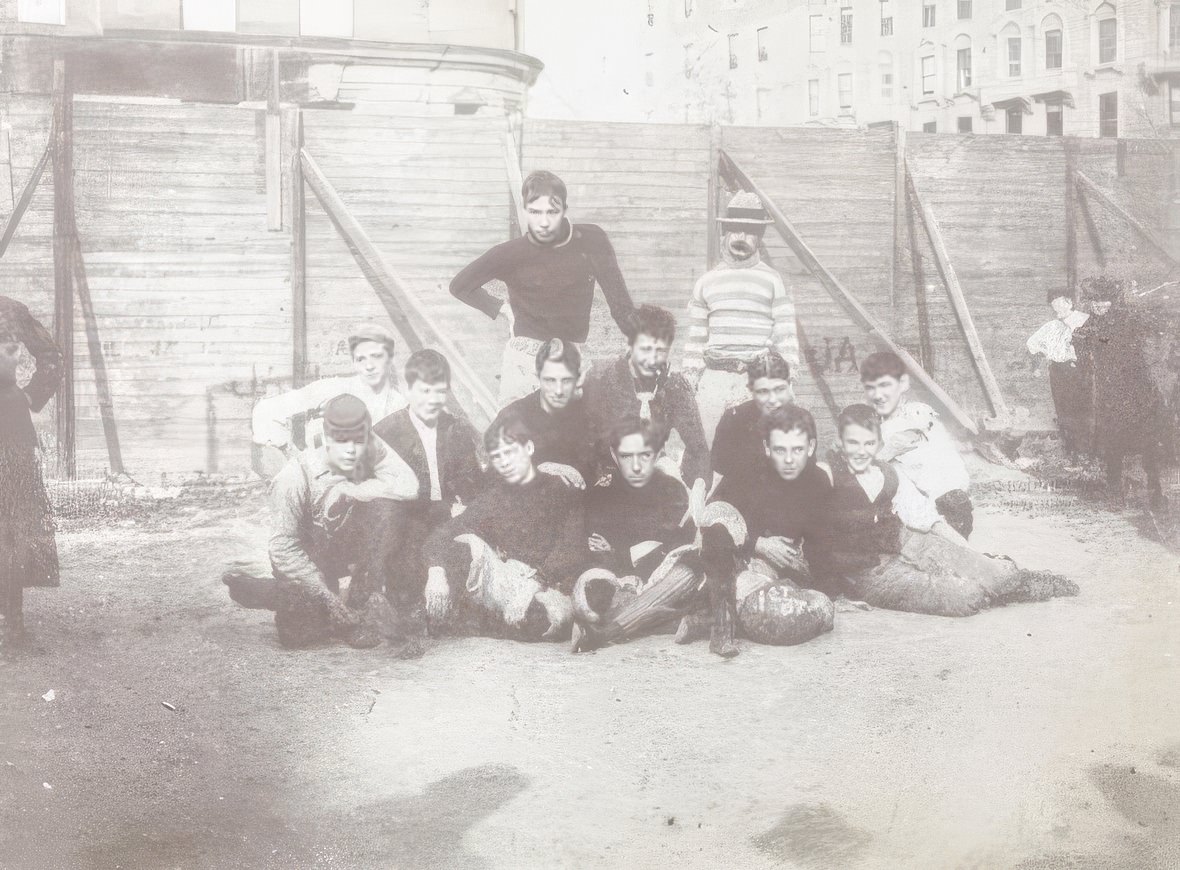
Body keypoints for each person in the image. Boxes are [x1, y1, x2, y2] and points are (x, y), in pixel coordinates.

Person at [814, 403, 1078, 616]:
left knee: (996, 574)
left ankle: (1015, 582)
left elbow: (924, 518)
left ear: (879, 442)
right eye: (853, 443)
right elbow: (815, 542)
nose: (861, 452)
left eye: (869, 443)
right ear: (839, 441)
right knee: (966, 598)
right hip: (869, 573)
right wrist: (835, 595)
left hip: (904, 545)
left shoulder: (887, 472)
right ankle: (988, 589)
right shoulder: (827, 478)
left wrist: (969, 553)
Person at [223, 394, 419, 649]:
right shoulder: (293, 477)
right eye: (341, 441)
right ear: (326, 438)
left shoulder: (370, 445)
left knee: (388, 508)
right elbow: (283, 548)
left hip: (342, 548)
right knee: (300, 633)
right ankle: (265, 592)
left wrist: (350, 490)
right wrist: (327, 597)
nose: (351, 450)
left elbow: (409, 485)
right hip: (306, 558)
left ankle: (358, 603)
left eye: (359, 441)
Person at [449, 170, 636, 405]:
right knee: (515, 435)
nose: (544, 222)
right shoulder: (510, 253)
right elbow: (459, 286)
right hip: (525, 362)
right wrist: (501, 308)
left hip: (571, 360)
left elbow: (620, 304)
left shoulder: (591, 241)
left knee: (575, 436)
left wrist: (640, 344)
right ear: (525, 210)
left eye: (552, 212)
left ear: (565, 210)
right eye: (535, 212)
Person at [422, 413, 585, 639]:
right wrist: (436, 572)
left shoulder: (559, 488)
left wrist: (535, 584)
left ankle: (480, 621)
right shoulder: (495, 496)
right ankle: (484, 620)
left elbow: (571, 548)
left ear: (528, 447)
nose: (505, 462)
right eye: (497, 457)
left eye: (509, 452)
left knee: (542, 618)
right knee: (455, 547)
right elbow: (444, 533)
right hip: (507, 581)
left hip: (548, 584)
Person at [704, 405, 835, 648]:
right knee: (717, 531)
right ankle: (721, 623)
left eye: (797, 449)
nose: (788, 459)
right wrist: (759, 544)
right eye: (779, 450)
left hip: (779, 573)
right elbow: (713, 520)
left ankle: (702, 621)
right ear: (766, 448)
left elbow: (821, 544)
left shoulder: (817, 482)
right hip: (731, 562)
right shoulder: (745, 473)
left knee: (803, 614)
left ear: (811, 447)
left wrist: (828, 592)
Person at [571, 416, 706, 653]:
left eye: (644, 455)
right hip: (620, 580)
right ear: (614, 455)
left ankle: (606, 633)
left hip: (662, 580)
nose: (636, 466)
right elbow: (596, 550)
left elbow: (674, 546)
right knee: (595, 587)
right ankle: (666, 620)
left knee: (690, 568)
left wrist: (619, 551)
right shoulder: (600, 495)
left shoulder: (671, 490)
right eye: (626, 456)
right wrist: (636, 550)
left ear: (656, 453)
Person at [370, 349, 487, 612]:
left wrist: (464, 505)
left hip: (447, 522)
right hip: (407, 524)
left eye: (440, 391)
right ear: (408, 389)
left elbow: (472, 483)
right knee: (409, 593)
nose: (433, 400)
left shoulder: (456, 428)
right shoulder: (386, 433)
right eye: (425, 391)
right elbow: (385, 500)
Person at [683, 190, 800, 440]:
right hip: (714, 379)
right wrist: (691, 379)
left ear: (759, 238)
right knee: (709, 447)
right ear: (725, 234)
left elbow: (786, 333)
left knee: (759, 449)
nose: (741, 237)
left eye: (749, 231)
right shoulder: (707, 282)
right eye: (735, 230)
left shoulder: (772, 280)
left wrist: (788, 379)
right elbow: (696, 339)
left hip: (756, 380)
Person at [582, 304, 710, 489]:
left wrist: (697, 487)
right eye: (645, 349)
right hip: (607, 470)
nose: (651, 360)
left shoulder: (674, 386)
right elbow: (584, 439)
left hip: (653, 470)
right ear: (630, 344)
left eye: (660, 352)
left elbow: (698, 447)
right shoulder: (601, 379)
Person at [1071, 277, 1169, 509]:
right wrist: (1079, 342)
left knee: (1147, 440)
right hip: (1111, 391)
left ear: (1113, 302)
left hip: (1137, 389)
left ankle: (1155, 490)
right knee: (1112, 439)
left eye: (1103, 301)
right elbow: (1082, 345)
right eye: (1094, 301)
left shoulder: (1127, 320)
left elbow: (1121, 345)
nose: (1097, 305)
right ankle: (1115, 490)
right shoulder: (1092, 323)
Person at [0, 296, 63, 644]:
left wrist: (30, 395)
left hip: (9, 430)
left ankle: (10, 625)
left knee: (11, 527)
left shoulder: (8, 310)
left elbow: (52, 354)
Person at [860, 351, 974, 539]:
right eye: (870, 388)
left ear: (903, 383)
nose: (877, 395)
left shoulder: (916, 416)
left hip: (941, 503)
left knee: (888, 470)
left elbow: (944, 467)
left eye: (884, 385)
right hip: (922, 500)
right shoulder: (879, 422)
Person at [252, 323, 407, 454]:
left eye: (376, 356)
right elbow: (265, 409)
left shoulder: (400, 404)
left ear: (390, 357)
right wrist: (292, 459)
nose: (369, 366)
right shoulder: (335, 388)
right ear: (353, 362)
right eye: (361, 359)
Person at [491, 338, 597, 489]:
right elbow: (493, 476)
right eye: (550, 380)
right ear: (538, 377)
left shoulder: (586, 412)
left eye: (566, 380)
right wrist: (540, 471)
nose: (558, 390)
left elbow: (599, 458)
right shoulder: (511, 418)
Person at [710, 350, 795, 492]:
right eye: (763, 391)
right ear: (752, 389)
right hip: (744, 494)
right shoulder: (734, 418)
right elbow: (719, 464)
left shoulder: (798, 421)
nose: (772, 399)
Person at [1026, 290, 1090, 456]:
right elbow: (1032, 344)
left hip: (1079, 370)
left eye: (1060, 306)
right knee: (1063, 409)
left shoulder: (1084, 320)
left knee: (1081, 409)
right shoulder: (1052, 326)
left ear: (1069, 303)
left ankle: (1084, 451)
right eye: (1054, 308)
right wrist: (1038, 364)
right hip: (1058, 371)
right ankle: (1070, 450)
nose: (1057, 311)